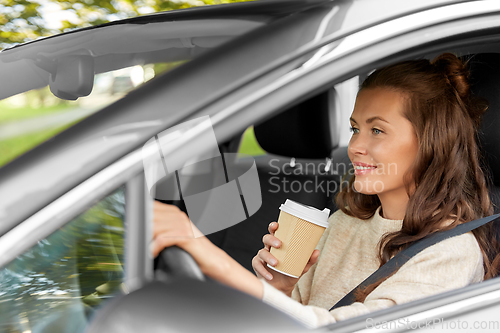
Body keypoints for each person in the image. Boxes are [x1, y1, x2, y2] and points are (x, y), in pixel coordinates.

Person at [152, 53, 500, 328]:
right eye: (354, 129)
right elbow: (294, 320)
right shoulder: (344, 222)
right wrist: (280, 286)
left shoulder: (450, 253)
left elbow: (341, 329)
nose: (355, 147)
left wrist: (204, 252)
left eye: (377, 131)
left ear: (431, 142)